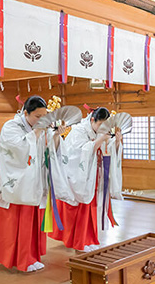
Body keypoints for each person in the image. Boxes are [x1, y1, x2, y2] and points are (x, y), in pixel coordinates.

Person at [0, 95, 53, 273]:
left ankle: (31, 256)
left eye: (44, 116)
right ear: (26, 113)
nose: (40, 120)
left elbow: (47, 148)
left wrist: (53, 133)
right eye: (37, 116)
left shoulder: (38, 127)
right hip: (13, 178)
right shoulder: (11, 126)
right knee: (18, 219)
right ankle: (21, 259)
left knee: (32, 217)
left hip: (32, 177)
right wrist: (36, 133)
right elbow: (16, 149)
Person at [50, 107, 123, 251]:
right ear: (92, 120)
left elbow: (108, 150)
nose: (102, 129)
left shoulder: (101, 133)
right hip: (80, 177)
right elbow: (75, 154)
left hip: (95, 175)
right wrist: (100, 140)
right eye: (100, 125)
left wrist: (116, 142)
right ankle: (80, 242)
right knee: (82, 209)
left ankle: (89, 239)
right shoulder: (78, 131)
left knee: (93, 208)